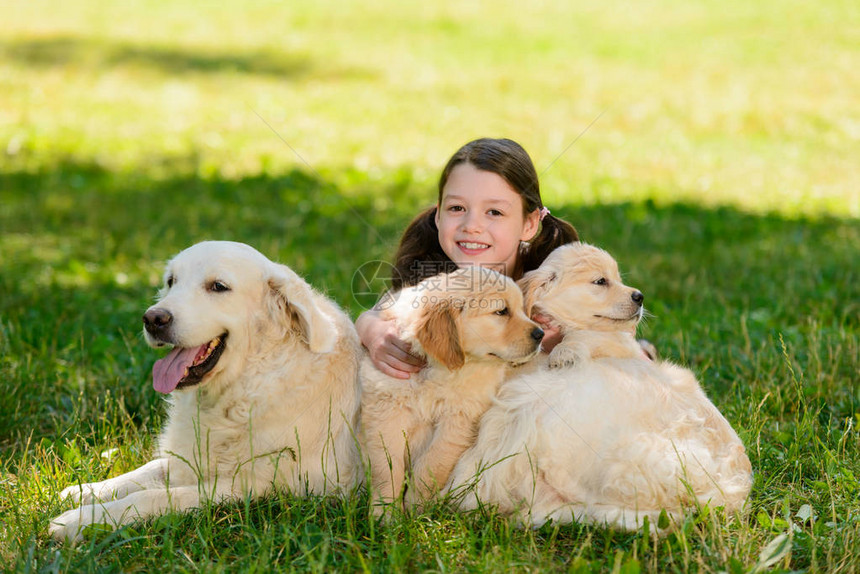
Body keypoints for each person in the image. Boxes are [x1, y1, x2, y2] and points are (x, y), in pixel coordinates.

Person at [355, 137, 579, 379]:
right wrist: (374, 332)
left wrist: (563, 340)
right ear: (438, 214)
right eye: (457, 208)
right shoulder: (434, 277)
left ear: (529, 223)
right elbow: (375, 314)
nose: (471, 226)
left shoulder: (550, 281)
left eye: (494, 212)